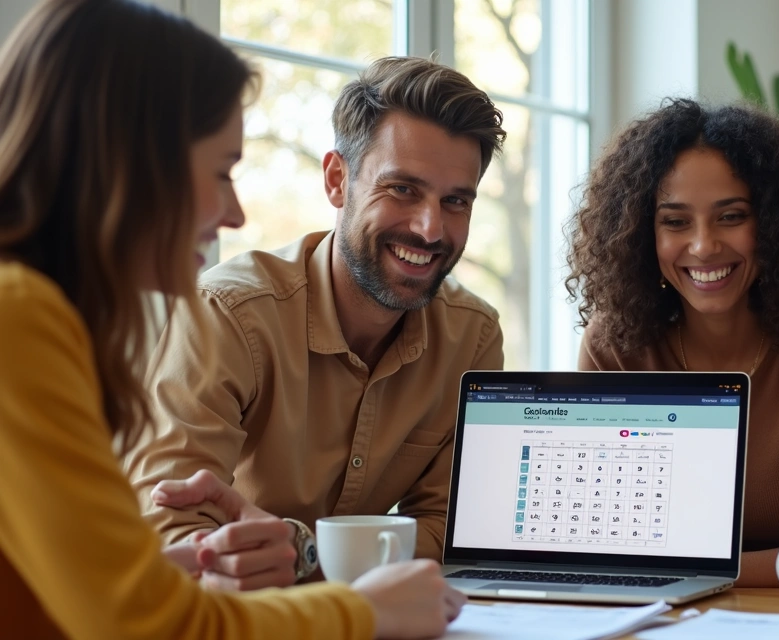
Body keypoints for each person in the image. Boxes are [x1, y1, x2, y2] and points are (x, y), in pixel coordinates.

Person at [0, 0, 464, 637]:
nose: (236, 213)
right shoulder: (17, 318)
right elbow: (145, 623)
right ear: (128, 162)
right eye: (221, 171)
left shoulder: (37, 314)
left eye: (455, 200)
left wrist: (157, 571)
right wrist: (363, 611)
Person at [122, 55, 507, 590]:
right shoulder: (228, 315)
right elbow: (173, 532)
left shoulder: (473, 337)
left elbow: (454, 530)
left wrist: (304, 555)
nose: (429, 228)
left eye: (455, 201)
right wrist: (322, 561)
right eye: (402, 189)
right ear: (337, 180)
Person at [566, 99, 779, 588]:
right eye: (675, 222)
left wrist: (675, 573)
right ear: (639, 234)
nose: (703, 246)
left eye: (731, 216)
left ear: (776, 223)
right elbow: (605, 539)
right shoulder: (614, 346)